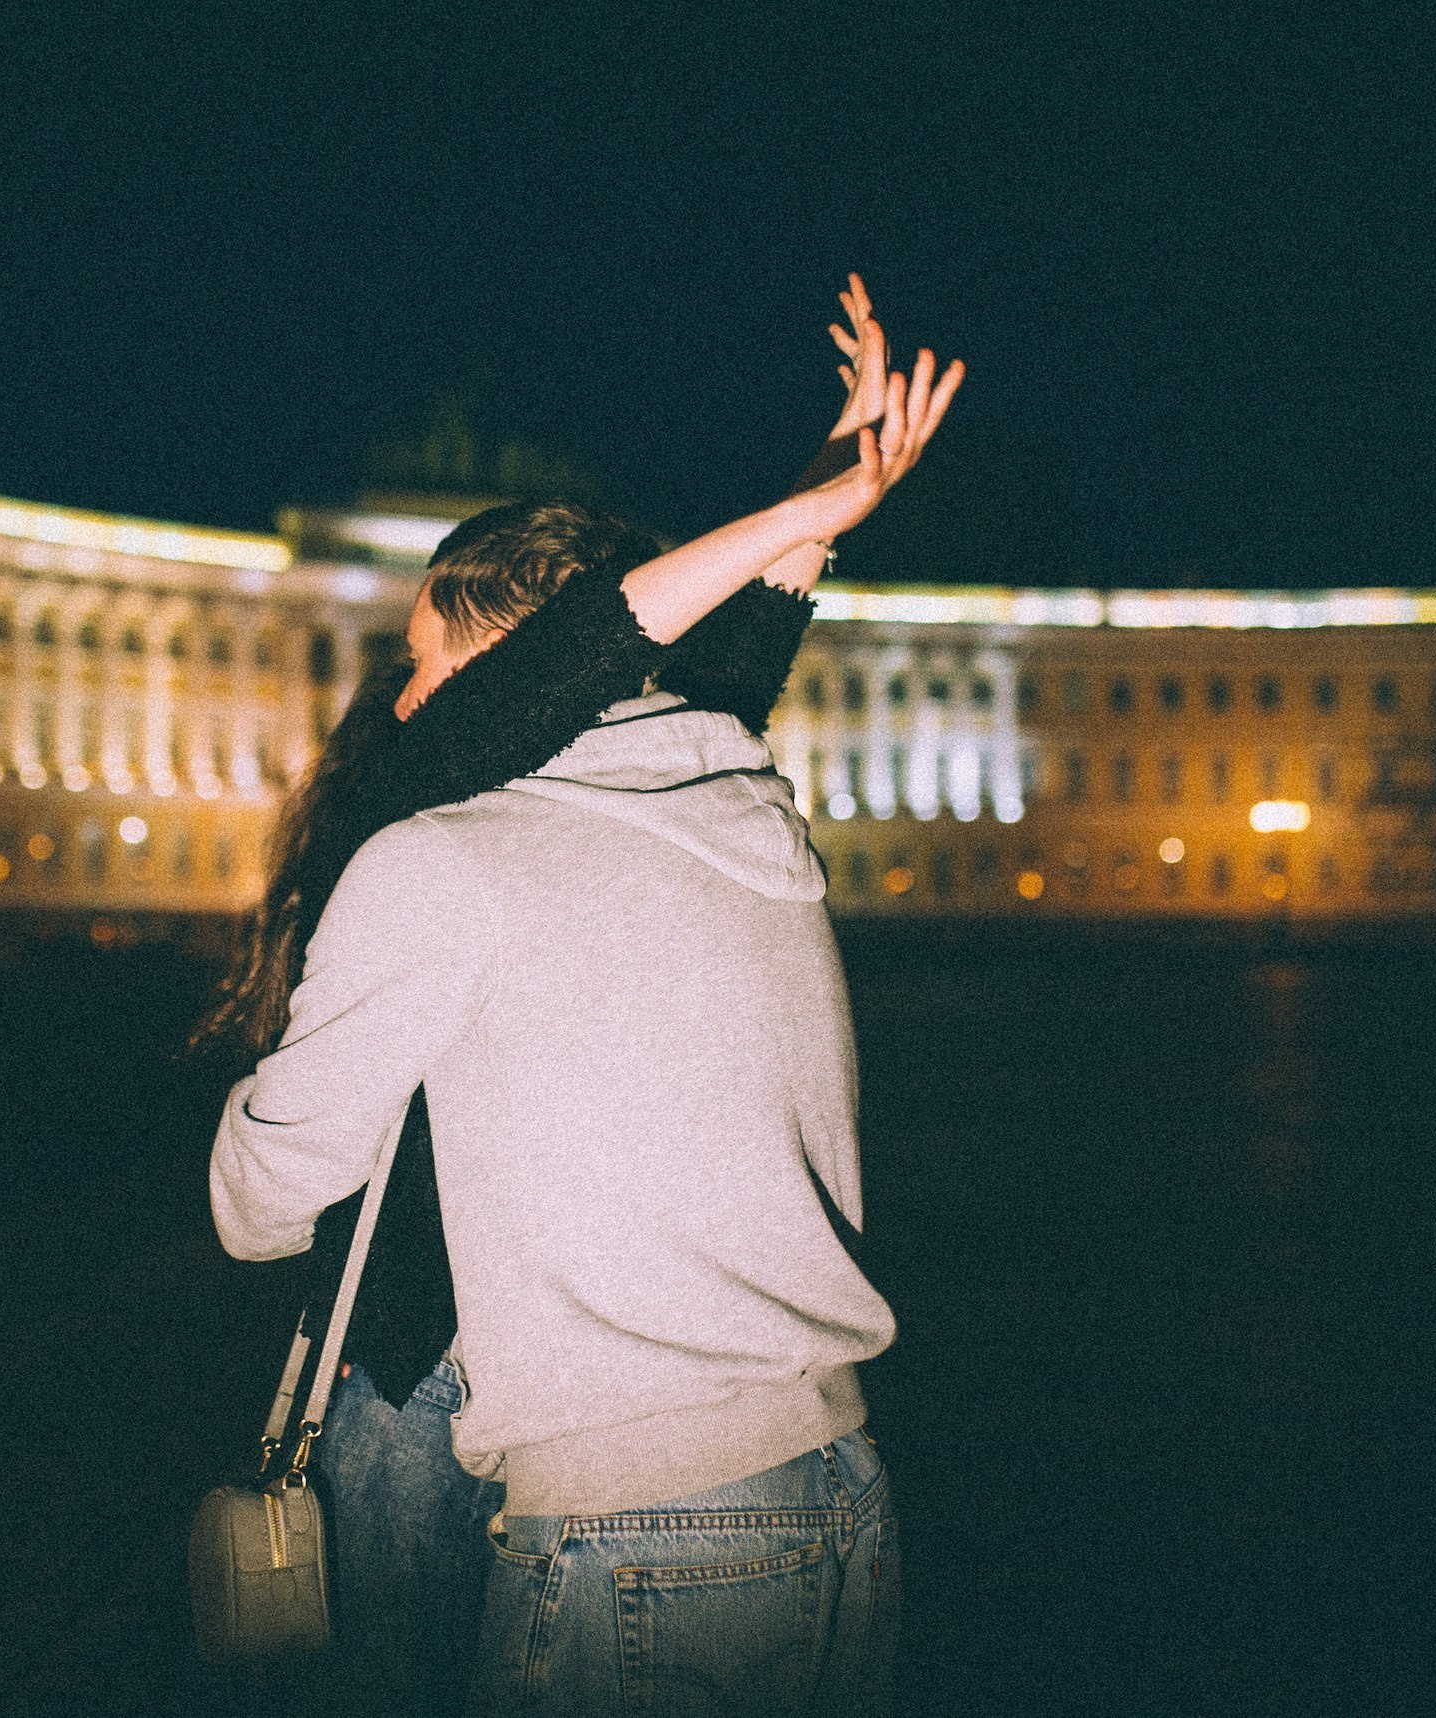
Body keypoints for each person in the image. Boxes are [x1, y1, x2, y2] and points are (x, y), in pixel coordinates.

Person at [208, 284, 959, 1711]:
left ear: (512, 672)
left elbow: (257, 1208)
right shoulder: (747, 806)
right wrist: (816, 506)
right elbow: (701, 676)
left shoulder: (436, 860)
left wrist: (815, 504)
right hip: (836, 1489)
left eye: (425, 663)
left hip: (630, 1520)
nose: (405, 702)